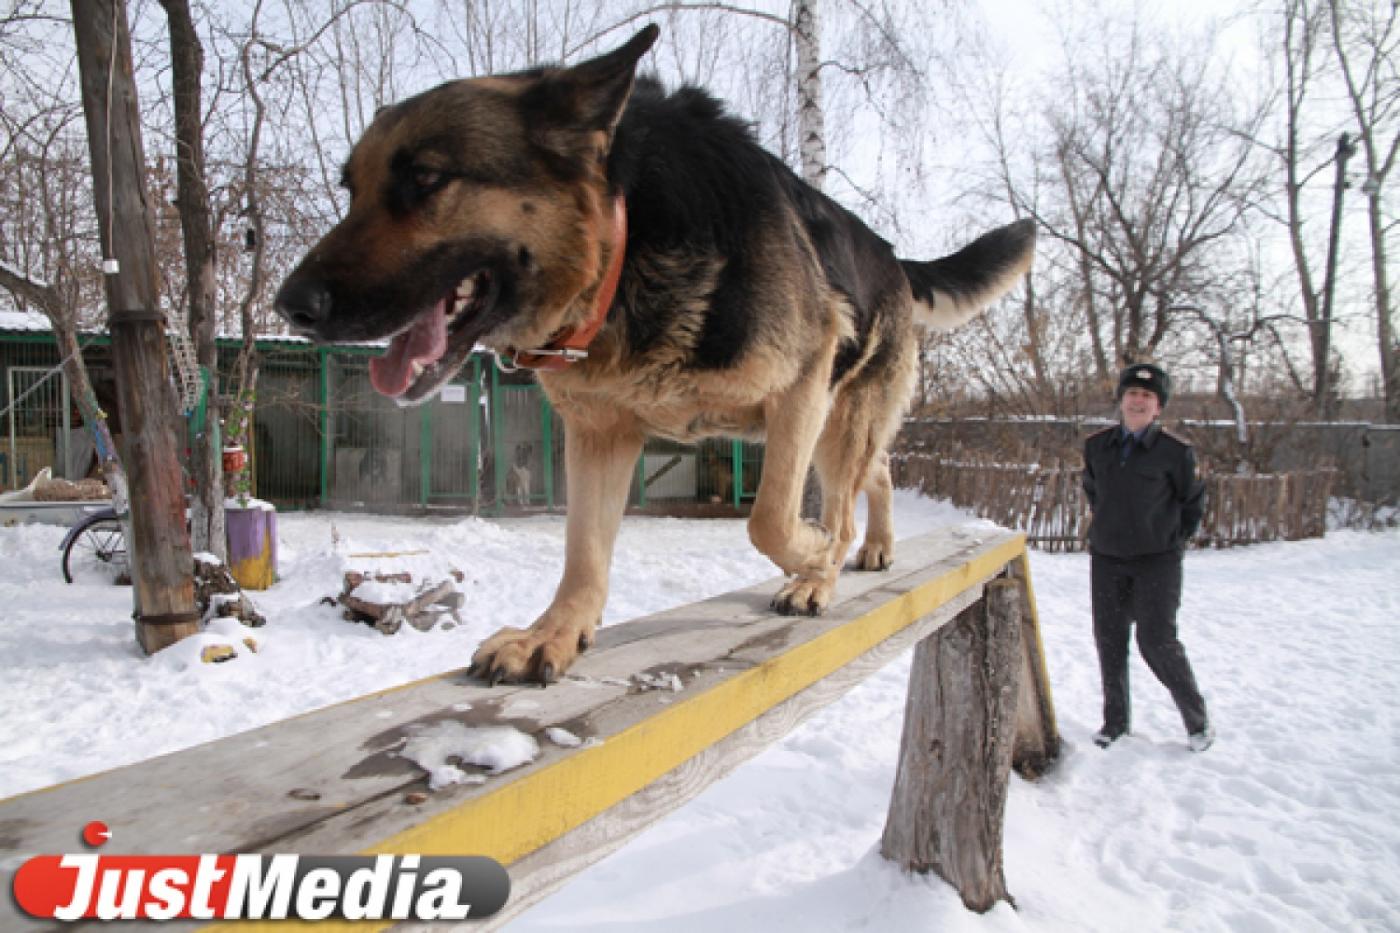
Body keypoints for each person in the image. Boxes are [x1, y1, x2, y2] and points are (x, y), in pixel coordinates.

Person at [1081, 363, 1213, 752]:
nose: (1138, 402)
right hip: (1107, 558)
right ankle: (1115, 722)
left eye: (1147, 397)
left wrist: (1170, 541)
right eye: (1132, 394)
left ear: (1158, 408)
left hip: (1157, 561)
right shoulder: (1097, 447)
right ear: (1121, 401)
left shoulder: (1176, 453)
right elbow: (1095, 493)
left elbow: (1193, 503)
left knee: (1157, 640)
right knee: (1110, 640)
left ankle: (1197, 720)